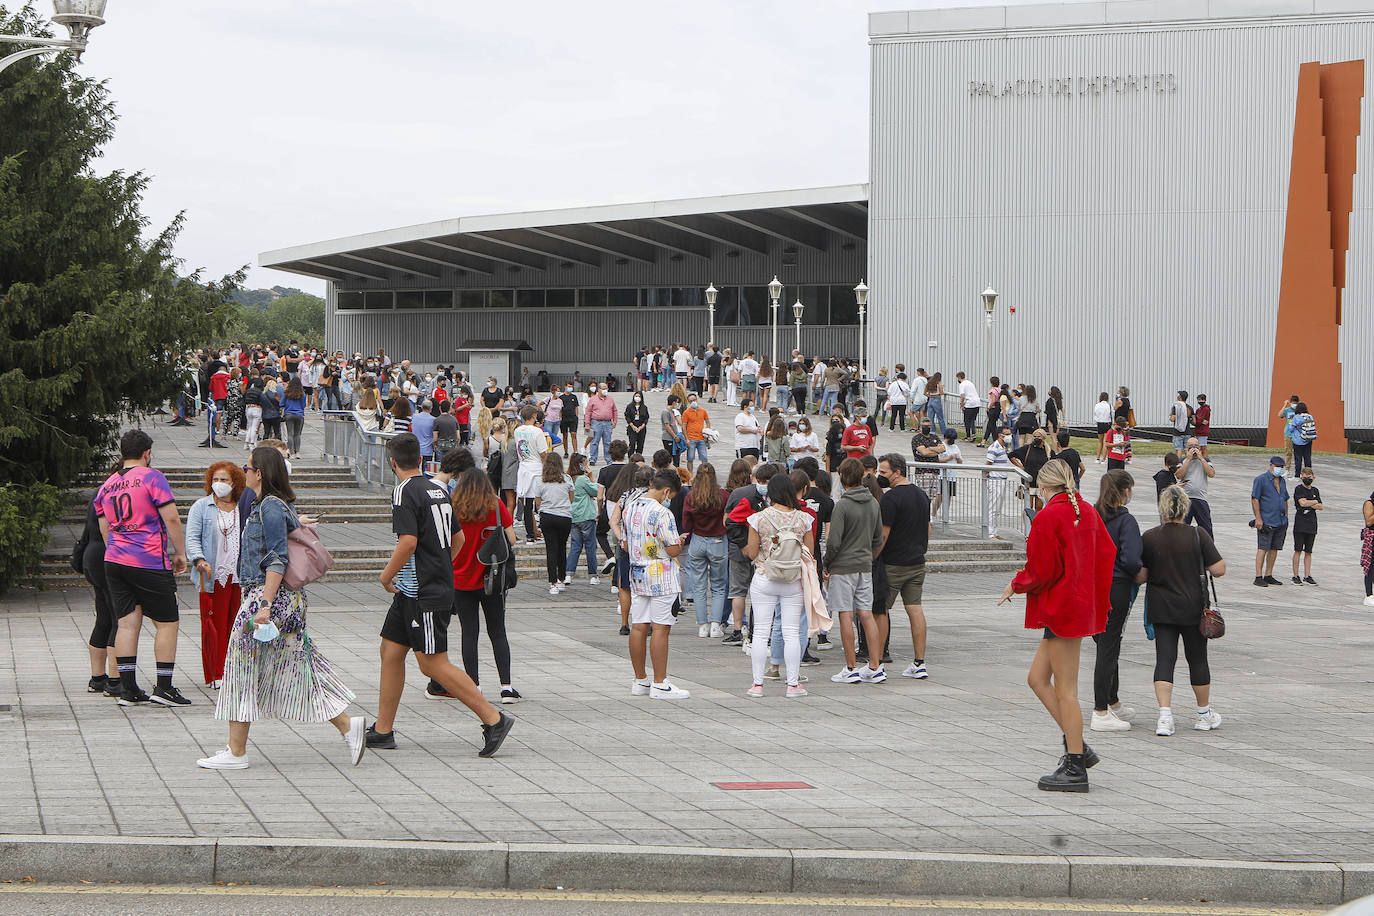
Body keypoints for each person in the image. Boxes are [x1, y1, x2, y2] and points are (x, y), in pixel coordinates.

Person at [197, 447, 366, 770]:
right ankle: (347, 726)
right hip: (280, 599)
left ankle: (236, 752)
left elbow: (277, 558)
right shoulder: (275, 505)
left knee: (240, 668)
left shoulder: (270, 508)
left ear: (259, 473)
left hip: (268, 597)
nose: (242, 473)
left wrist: (264, 605)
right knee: (297, 666)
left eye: (247, 467)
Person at [367, 434, 514, 756]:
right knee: (390, 652)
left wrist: (386, 575)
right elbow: (457, 538)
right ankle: (382, 729)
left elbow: (406, 542)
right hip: (418, 588)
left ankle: (494, 719)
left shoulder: (404, 490)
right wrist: (441, 563)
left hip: (423, 591)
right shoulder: (438, 489)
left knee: (433, 664)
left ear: (393, 463)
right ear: (420, 459)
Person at [998, 459, 1115, 792]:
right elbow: (1107, 553)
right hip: (1077, 607)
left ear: (1044, 486)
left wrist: (1016, 584)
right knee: (1037, 679)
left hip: (1063, 609)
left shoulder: (1050, 515)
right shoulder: (1086, 512)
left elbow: (1041, 569)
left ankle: (1076, 763)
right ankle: (1077, 746)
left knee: (1065, 690)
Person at [95, 429, 190, 707]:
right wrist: (180, 552)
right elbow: (171, 518)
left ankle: (127, 689)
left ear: (123, 453)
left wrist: (115, 549)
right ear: (147, 453)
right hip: (148, 558)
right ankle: (164, 687)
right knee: (167, 622)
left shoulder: (107, 485)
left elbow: (104, 528)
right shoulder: (152, 477)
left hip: (115, 559)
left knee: (126, 622)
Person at [1138, 485, 1227, 737]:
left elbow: (1142, 575)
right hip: (1193, 608)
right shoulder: (1198, 535)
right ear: (1185, 508)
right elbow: (1219, 569)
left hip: (1161, 607)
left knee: (1165, 660)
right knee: (1197, 659)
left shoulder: (1150, 536)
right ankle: (1203, 714)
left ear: (1162, 508)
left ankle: (1165, 717)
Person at [449, 468, 520, 704]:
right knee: (498, 632)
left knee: (469, 633)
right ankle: (506, 687)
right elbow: (511, 539)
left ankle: (474, 686)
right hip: (492, 579)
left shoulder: (454, 507)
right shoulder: (496, 504)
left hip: (460, 579)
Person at [185, 461, 256, 688]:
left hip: (239, 576)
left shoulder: (242, 506)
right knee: (212, 625)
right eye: (215, 479)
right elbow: (192, 538)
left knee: (237, 625)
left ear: (235, 482)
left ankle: (234, 670)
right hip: (210, 575)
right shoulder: (201, 507)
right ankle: (216, 673)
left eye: (224, 480)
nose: (219, 484)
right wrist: (198, 559)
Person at [744, 472, 816, 698]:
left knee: (761, 632)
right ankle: (793, 685)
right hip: (793, 579)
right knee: (792, 632)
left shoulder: (759, 518)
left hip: (765, 576)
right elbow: (810, 553)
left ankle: (757, 685)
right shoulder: (804, 519)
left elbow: (752, 552)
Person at [624, 469, 690, 699]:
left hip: (637, 571)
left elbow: (625, 542)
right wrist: (679, 542)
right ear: (666, 491)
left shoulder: (630, 507)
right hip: (661, 574)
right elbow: (672, 548)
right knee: (661, 627)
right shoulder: (663, 513)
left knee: (639, 624)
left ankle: (640, 680)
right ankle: (660, 683)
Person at [826, 458, 887, 685]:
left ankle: (851, 667)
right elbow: (878, 538)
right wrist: (867, 555)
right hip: (864, 564)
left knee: (845, 614)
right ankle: (875, 665)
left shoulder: (842, 505)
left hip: (843, 566)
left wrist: (827, 563)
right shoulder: (873, 503)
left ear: (842, 477)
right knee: (866, 614)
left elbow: (833, 541)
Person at [1090, 469, 1141, 732]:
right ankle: (1100, 710)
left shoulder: (1094, 515)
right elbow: (1132, 559)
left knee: (1106, 643)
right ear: (1124, 491)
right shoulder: (1125, 521)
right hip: (1116, 586)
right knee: (1109, 647)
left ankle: (1113, 700)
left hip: (1093, 586)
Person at [876, 454, 933, 679]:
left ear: (897, 472)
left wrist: (872, 557)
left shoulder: (891, 498)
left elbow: (883, 534)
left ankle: (876, 663)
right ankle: (919, 663)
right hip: (917, 561)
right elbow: (928, 529)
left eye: (883, 472)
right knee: (915, 608)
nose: (880, 476)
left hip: (893, 563)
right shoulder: (922, 495)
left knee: (880, 610)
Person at [78, 482, 121, 697]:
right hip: (108, 555)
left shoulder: (101, 490)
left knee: (103, 618)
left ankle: (97, 678)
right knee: (118, 619)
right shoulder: (119, 491)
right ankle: (115, 680)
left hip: (91, 555)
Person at [682, 462, 729, 638]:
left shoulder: (691, 497)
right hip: (718, 540)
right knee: (718, 585)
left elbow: (686, 523)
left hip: (698, 540)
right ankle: (716, 624)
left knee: (699, 586)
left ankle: (702, 625)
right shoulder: (723, 496)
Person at [535, 452, 575, 595]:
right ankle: (561, 578)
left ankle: (552, 582)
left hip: (547, 515)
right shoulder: (567, 479)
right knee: (562, 548)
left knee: (550, 549)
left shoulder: (540, 480)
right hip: (564, 516)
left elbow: (537, 502)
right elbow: (571, 499)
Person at [1250, 456, 1290, 587]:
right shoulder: (1261, 480)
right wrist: (1258, 518)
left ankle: (1269, 574)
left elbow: (1285, 498)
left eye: (1281, 467)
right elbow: (1255, 499)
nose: (1279, 469)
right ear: (1271, 465)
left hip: (1280, 520)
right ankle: (1258, 576)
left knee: (1274, 549)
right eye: (1277, 466)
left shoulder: (1282, 481)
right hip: (1267, 520)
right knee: (1263, 548)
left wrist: (1286, 515)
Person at [512, 406, 548, 543]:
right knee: (540, 502)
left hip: (524, 466)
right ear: (534, 416)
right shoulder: (537, 431)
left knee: (527, 503)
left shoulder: (517, 431)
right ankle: (541, 530)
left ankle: (530, 535)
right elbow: (543, 453)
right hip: (536, 466)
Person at [567, 454, 601, 585]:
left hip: (574, 516)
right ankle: (593, 575)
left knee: (575, 546)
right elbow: (596, 491)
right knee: (590, 546)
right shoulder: (582, 479)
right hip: (586, 515)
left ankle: (569, 573)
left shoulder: (569, 478)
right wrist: (591, 476)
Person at [1291, 468, 1322, 585]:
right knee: (1298, 550)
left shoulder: (1315, 490)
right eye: (1305, 477)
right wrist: (1313, 502)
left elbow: (1320, 506)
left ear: (1313, 477)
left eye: (1309, 477)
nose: (1307, 479)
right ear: (1301, 477)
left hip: (1312, 524)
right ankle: (1295, 575)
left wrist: (1311, 502)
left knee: (1308, 551)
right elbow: (1302, 503)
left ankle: (1307, 575)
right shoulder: (1298, 489)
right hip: (1300, 523)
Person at [1178, 437, 1215, 535]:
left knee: (1206, 529)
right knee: (1182, 528)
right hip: (1185, 499)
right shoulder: (1182, 460)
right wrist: (1189, 459)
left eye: (1196, 446)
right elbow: (1179, 475)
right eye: (1191, 447)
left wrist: (1201, 458)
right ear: (1186, 449)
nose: (1194, 449)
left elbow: (1211, 474)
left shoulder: (1205, 460)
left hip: (1200, 499)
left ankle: (1208, 547)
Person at [984, 425, 1012, 540]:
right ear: (1001, 435)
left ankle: (994, 532)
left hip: (1001, 480)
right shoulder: (994, 447)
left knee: (997, 508)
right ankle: (990, 533)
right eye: (1007, 434)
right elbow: (987, 464)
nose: (1009, 436)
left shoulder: (1003, 447)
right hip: (995, 481)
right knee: (993, 508)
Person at [583, 383, 618, 466]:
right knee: (594, 441)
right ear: (598, 389)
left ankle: (609, 459)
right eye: (603, 388)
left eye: (606, 388)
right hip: (596, 422)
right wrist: (587, 424)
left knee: (608, 442)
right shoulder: (593, 399)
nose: (605, 390)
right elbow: (588, 412)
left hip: (607, 423)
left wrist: (615, 421)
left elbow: (614, 411)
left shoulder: (610, 399)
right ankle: (593, 458)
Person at [681, 393, 710, 472]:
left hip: (702, 438)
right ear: (688, 402)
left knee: (704, 458)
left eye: (694, 400)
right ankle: (690, 476)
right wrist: (686, 439)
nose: (693, 402)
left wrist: (707, 433)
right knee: (690, 458)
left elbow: (707, 422)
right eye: (691, 401)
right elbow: (683, 426)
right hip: (691, 439)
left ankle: (705, 475)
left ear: (697, 399)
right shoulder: (686, 412)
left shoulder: (703, 411)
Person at [1287, 401, 1316, 477]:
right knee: (1307, 458)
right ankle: (1309, 475)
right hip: (1308, 439)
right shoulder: (1310, 416)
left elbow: (1291, 429)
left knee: (1298, 459)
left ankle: (1297, 475)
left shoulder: (1296, 417)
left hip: (1298, 441)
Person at [956, 371, 982, 442]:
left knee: (967, 421)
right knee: (972, 420)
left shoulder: (962, 384)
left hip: (969, 404)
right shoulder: (970, 383)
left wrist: (961, 404)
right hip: (977, 403)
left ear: (958, 377)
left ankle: (968, 436)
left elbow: (963, 396)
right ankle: (974, 434)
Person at [433, 400, 460, 466]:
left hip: (441, 446)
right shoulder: (454, 420)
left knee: (440, 466)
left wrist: (434, 445)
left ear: (440, 408)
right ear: (449, 408)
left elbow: (435, 437)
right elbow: (458, 437)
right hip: (452, 446)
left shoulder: (437, 420)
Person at [412, 399, 437, 469]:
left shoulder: (414, 417)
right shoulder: (433, 420)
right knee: (426, 472)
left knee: (414, 470)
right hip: (428, 449)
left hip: (416, 448)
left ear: (422, 407)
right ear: (431, 408)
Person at [558, 383, 581, 457]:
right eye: (569, 386)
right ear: (565, 387)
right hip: (564, 418)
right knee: (565, 435)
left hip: (572, 418)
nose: (570, 388)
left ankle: (575, 451)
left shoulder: (574, 397)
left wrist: (576, 416)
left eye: (571, 386)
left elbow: (576, 407)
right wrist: (560, 417)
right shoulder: (561, 397)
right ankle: (566, 451)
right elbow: (560, 409)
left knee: (573, 434)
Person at [1168, 390, 1193, 456]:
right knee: (1186, 449)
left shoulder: (1176, 406)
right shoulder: (1189, 408)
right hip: (1187, 431)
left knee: (1178, 449)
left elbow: (1173, 419)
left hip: (1177, 432)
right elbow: (1193, 420)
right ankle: (1188, 463)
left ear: (1180, 397)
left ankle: (1179, 464)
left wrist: (1170, 418)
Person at [625, 391, 650, 456]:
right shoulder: (630, 406)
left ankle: (639, 456)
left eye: (639, 396)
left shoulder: (644, 407)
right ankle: (630, 456)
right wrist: (632, 426)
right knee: (632, 443)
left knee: (640, 443)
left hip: (641, 426)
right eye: (636, 396)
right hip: (632, 425)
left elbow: (646, 418)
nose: (637, 398)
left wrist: (642, 426)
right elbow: (627, 416)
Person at [1278, 394, 1299, 469]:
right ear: (1290, 402)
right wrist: (1285, 405)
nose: (1294, 405)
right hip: (1288, 434)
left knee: (1298, 454)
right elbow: (1280, 415)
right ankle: (1287, 469)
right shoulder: (1287, 410)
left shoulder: (1299, 411)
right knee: (1288, 452)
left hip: (1297, 435)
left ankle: (1297, 470)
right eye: (1293, 403)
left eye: (1296, 403)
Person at [1092, 392, 1113, 463]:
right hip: (1107, 423)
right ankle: (1104, 459)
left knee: (1100, 442)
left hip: (1099, 424)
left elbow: (1095, 415)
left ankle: (1097, 458)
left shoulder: (1097, 405)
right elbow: (1112, 414)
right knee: (1105, 442)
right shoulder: (1109, 405)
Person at [1363, 492, 1374, 607]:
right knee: (1370, 566)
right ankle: (1369, 594)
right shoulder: (1369, 503)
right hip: (1372, 537)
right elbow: (1369, 521)